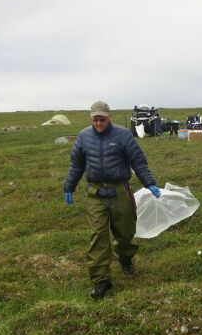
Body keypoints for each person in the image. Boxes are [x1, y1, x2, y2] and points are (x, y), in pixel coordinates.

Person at [64, 101, 162, 299]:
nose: (99, 123)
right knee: (98, 236)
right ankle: (101, 281)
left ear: (110, 117)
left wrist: (149, 183)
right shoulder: (83, 137)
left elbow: (138, 161)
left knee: (125, 233)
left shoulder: (123, 135)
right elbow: (76, 165)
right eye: (95, 119)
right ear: (91, 118)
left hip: (120, 191)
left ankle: (125, 258)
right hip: (96, 193)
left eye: (102, 119)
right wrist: (69, 187)